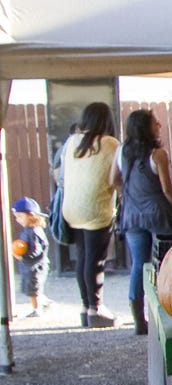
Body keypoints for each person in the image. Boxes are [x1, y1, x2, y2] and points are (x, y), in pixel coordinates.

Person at [110, 108, 172, 335]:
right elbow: (167, 189)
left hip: (132, 215)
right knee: (166, 262)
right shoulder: (157, 154)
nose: (159, 125)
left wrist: (127, 195)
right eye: (155, 122)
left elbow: (113, 179)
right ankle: (167, 311)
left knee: (139, 264)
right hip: (159, 214)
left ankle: (138, 320)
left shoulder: (121, 151)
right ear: (146, 127)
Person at [61, 102, 119, 329]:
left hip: (72, 208)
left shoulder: (72, 141)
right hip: (96, 208)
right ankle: (96, 308)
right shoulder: (109, 143)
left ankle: (86, 307)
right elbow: (117, 173)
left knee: (83, 256)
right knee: (96, 260)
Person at [11, 198, 49, 318]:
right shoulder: (28, 230)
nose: (17, 220)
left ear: (31, 216)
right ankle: (45, 303)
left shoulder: (34, 232)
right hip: (30, 266)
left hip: (35, 266)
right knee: (31, 287)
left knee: (33, 289)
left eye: (20, 217)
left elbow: (36, 251)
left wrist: (22, 256)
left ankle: (37, 309)